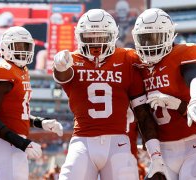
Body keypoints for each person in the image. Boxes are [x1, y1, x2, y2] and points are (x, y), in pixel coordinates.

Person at [53, 9, 158, 180]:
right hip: (83, 141)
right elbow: (62, 77)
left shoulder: (128, 58)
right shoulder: (71, 61)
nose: (95, 44)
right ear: (79, 37)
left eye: (101, 37)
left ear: (112, 36)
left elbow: (142, 108)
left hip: (118, 142)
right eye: (90, 37)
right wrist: (59, 67)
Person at [131, 8, 196, 180]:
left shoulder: (182, 54)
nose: (150, 45)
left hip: (192, 146)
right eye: (144, 39)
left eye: (155, 37)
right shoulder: (136, 64)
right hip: (161, 152)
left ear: (169, 35)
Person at [0, 26, 63, 180]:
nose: (22, 51)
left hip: (9, 143)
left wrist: (41, 123)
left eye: (26, 47)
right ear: (5, 47)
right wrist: (22, 143)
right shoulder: (3, 70)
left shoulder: (21, 71)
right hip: (8, 144)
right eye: (17, 46)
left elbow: (17, 114)